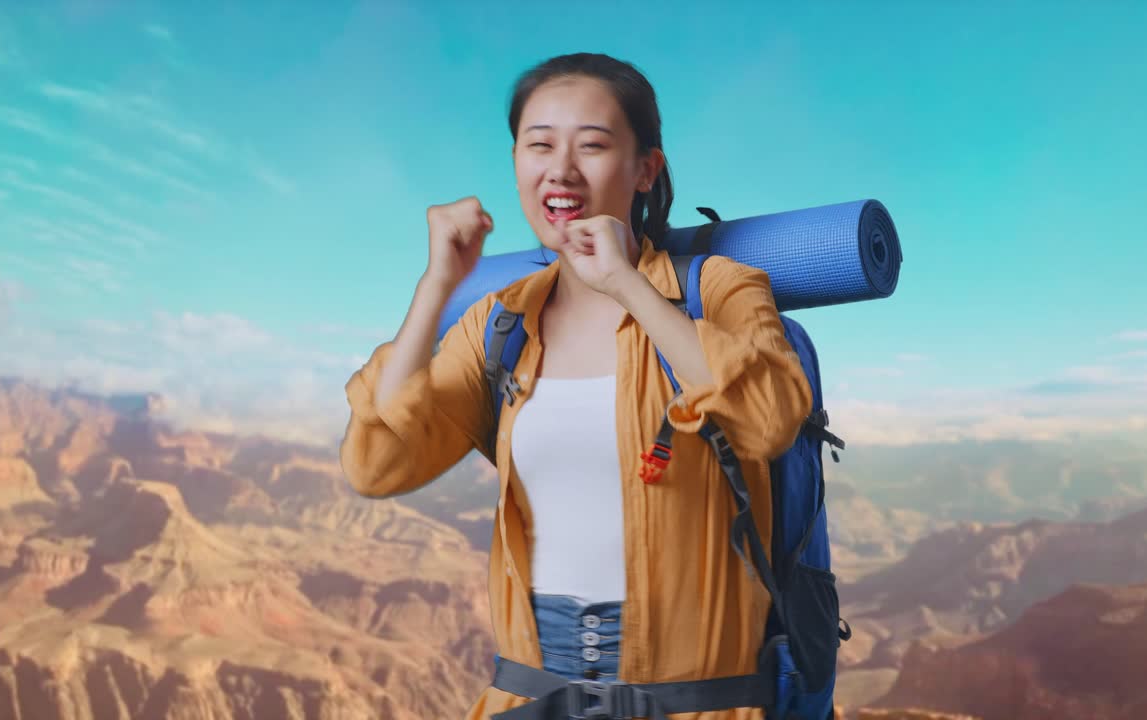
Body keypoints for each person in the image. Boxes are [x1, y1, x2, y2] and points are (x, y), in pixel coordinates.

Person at [340, 52, 813, 719]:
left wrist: (627, 285)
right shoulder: (500, 323)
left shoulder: (719, 290)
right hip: (530, 695)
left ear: (645, 169)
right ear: (516, 161)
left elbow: (769, 419)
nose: (560, 169)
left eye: (591, 145)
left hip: (695, 700)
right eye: (539, 145)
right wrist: (436, 285)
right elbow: (378, 464)